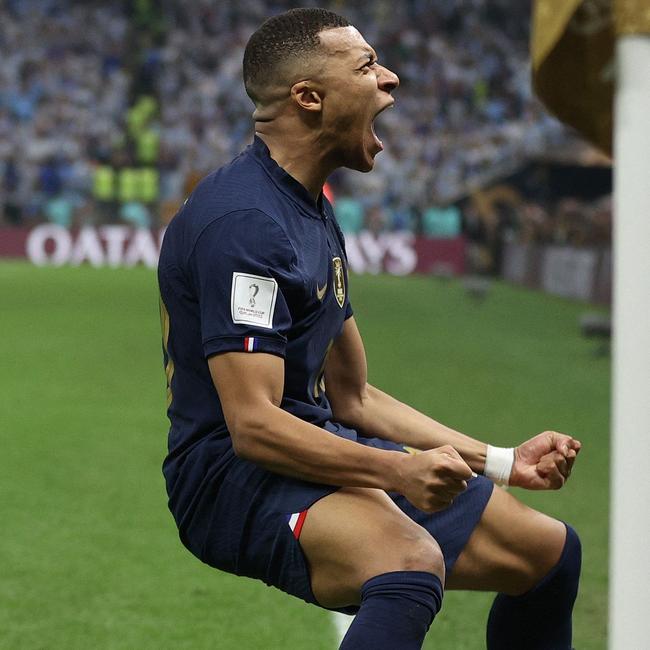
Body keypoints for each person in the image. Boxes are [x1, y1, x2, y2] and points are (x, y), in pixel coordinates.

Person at [157, 8, 582, 649]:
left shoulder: (309, 209)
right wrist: (399, 474)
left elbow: (354, 397)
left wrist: (499, 461)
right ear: (308, 97)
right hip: (229, 476)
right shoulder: (245, 223)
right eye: (366, 67)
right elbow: (254, 424)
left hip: (314, 444)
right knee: (409, 563)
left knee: (547, 555)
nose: (391, 80)